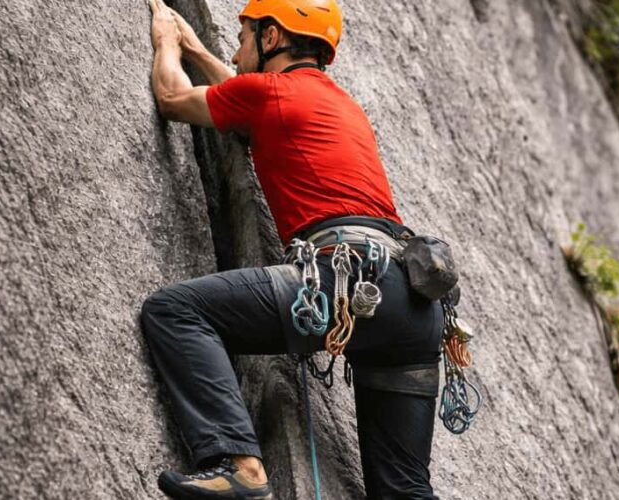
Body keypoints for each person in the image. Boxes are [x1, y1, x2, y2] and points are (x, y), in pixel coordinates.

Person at [142, 1, 443, 498]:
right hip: (413, 305)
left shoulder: (270, 94)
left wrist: (169, 43)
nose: (238, 56)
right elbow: (245, 107)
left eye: (243, 40)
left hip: (342, 278)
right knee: (405, 490)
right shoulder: (337, 103)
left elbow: (174, 97)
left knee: (175, 311)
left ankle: (237, 463)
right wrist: (199, 47)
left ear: (273, 38)